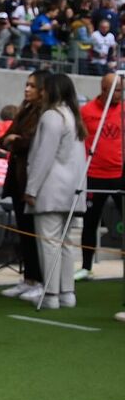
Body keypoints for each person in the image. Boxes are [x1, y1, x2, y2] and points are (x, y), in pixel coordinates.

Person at [24, 74, 88, 309]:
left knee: (50, 243)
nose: (40, 92)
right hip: (73, 190)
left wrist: (31, 188)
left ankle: (51, 294)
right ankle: (67, 293)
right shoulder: (74, 116)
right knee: (66, 243)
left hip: (51, 190)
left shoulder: (52, 116)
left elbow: (43, 157)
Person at [0, 70, 50, 301]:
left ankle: (40, 279)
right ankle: (28, 279)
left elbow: (32, 143)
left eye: (32, 85)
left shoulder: (46, 113)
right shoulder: (25, 109)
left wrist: (16, 140)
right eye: (26, 84)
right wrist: (14, 140)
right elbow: (5, 138)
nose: (27, 89)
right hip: (18, 179)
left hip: (33, 180)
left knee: (34, 233)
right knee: (23, 232)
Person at [76, 73, 123, 281]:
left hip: (120, 175)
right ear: (104, 89)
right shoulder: (86, 111)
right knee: (90, 222)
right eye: (117, 90)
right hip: (94, 174)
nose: (120, 94)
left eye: (121, 90)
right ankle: (87, 266)